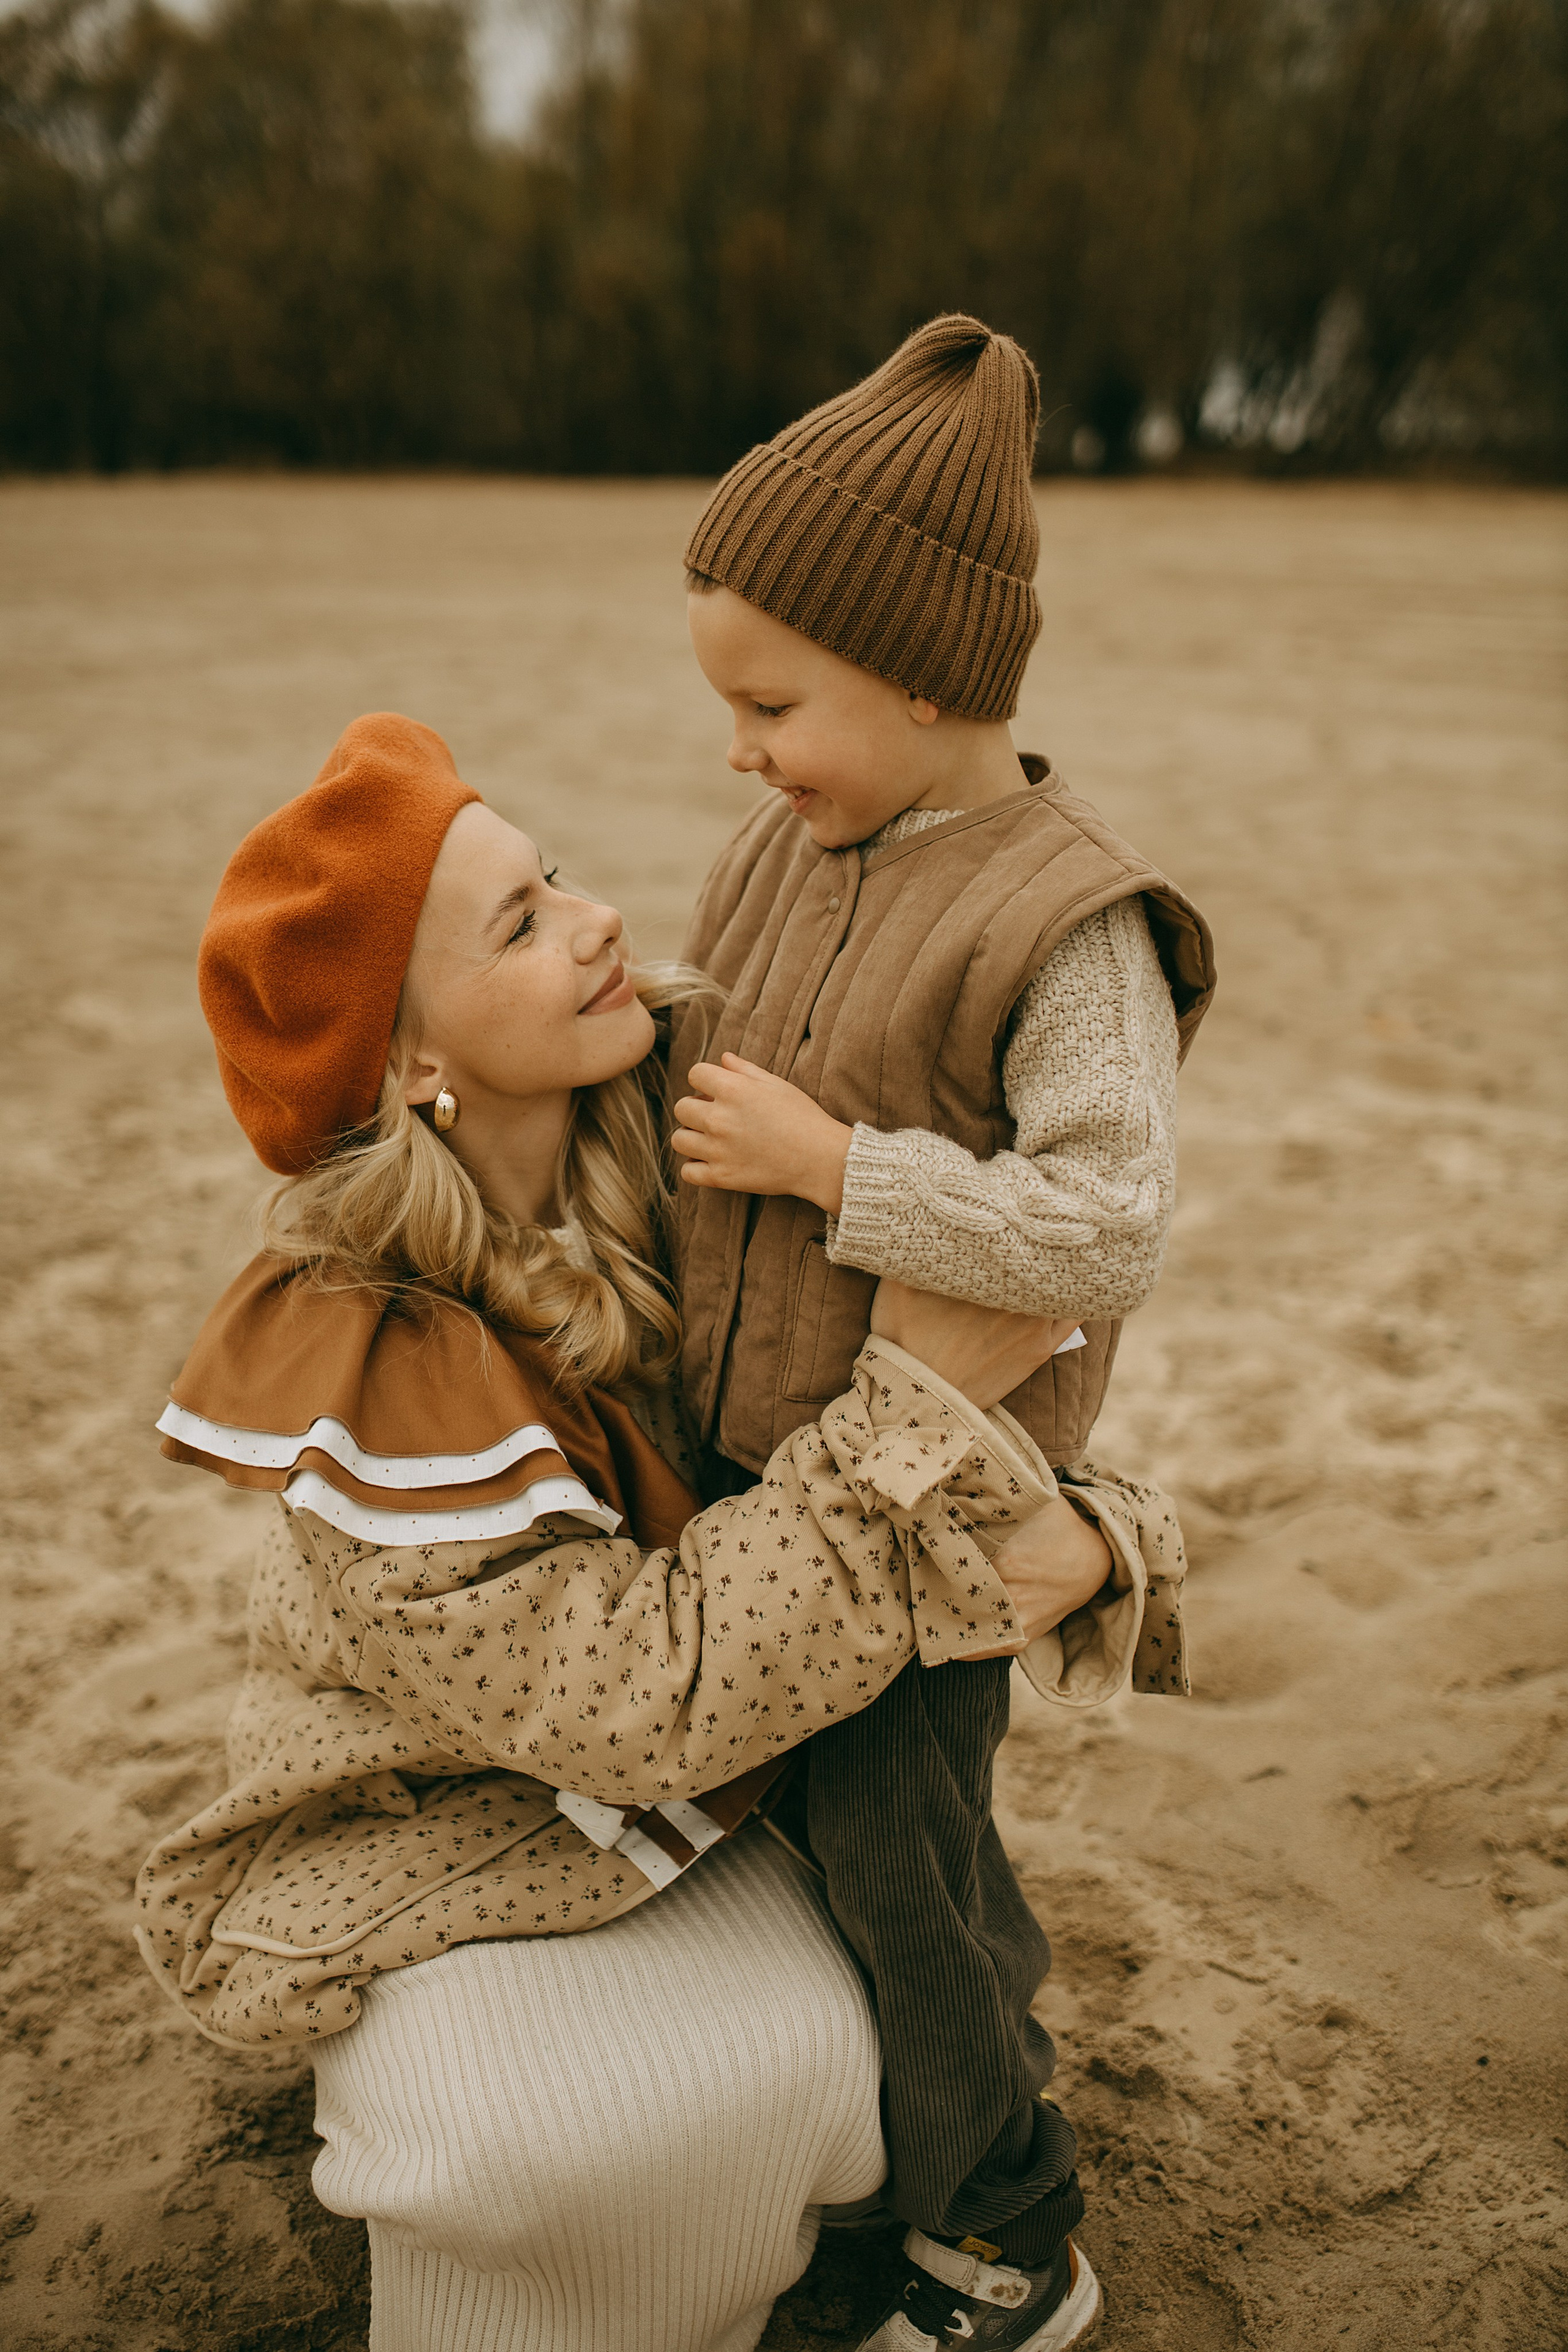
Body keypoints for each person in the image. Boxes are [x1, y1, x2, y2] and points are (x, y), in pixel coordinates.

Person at [135, 711, 1180, 2352]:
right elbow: (637, 1703)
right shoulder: (380, 1347)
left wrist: (1104, 1537)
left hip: (732, 1784)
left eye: (552, 872)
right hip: (468, 1816)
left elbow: (1013, 1308)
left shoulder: (700, 1120)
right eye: (522, 922)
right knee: (578, 2145)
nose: (595, 914)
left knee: (845, 2068)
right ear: (413, 1068)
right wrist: (911, 1408)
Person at [666, 314, 1215, 2351]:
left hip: (926, 1506)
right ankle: (851, 2160)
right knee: (809, 1849)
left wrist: (840, 1174)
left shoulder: (1071, 922)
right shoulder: (788, 842)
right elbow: (704, 1078)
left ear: (922, 674)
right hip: (760, 1466)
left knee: (908, 1863)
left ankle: (1007, 2232)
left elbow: (1106, 1224)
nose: (739, 748)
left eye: (771, 702)